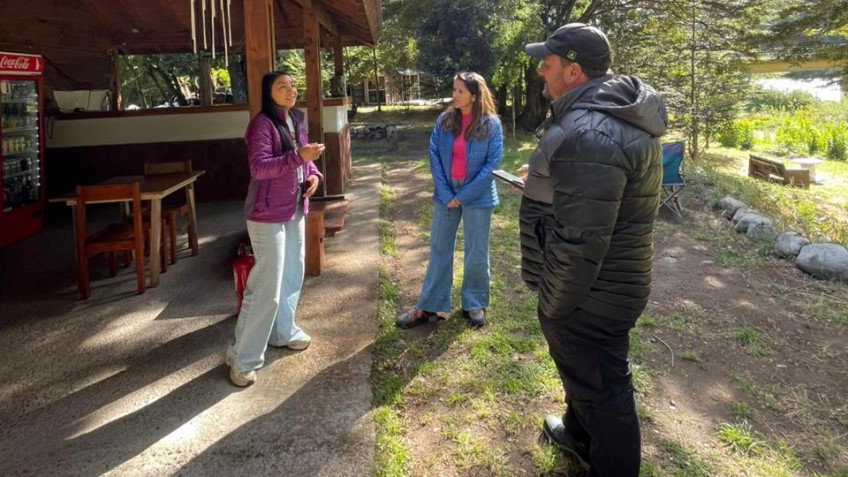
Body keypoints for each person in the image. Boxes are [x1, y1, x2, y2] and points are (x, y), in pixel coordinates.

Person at [520, 24, 668, 476]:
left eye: (547, 65)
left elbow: (582, 240)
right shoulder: (601, 117)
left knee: (604, 387)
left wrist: (553, 303)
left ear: (573, 70)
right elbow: (588, 199)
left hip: (591, 291)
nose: (541, 73)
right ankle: (579, 435)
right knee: (585, 375)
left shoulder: (593, 132)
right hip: (601, 284)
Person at [226, 71, 325, 387]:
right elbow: (259, 168)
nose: (291, 89)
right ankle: (242, 358)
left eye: (293, 84)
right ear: (269, 94)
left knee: (292, 275)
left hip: (294, 208)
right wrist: (298, 157)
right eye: (282, 86)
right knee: (266, 287)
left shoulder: (296, 119)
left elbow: (307, 161)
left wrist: (313, 176)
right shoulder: (261, 126)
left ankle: (284, 331)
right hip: (266, 214)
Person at [396, 72, 503, 329]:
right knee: (439, 247)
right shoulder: (444, 120)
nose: (454, 95)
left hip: (478, 195)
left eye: (460, 91)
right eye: (453, 89)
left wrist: (463, 196)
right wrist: (446, 194)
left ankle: (474, 302)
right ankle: (429, 306)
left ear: (475, 95)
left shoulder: (491, 124)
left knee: (476, 251)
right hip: (446, 194)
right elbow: (433, 154)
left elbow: (492, 164)